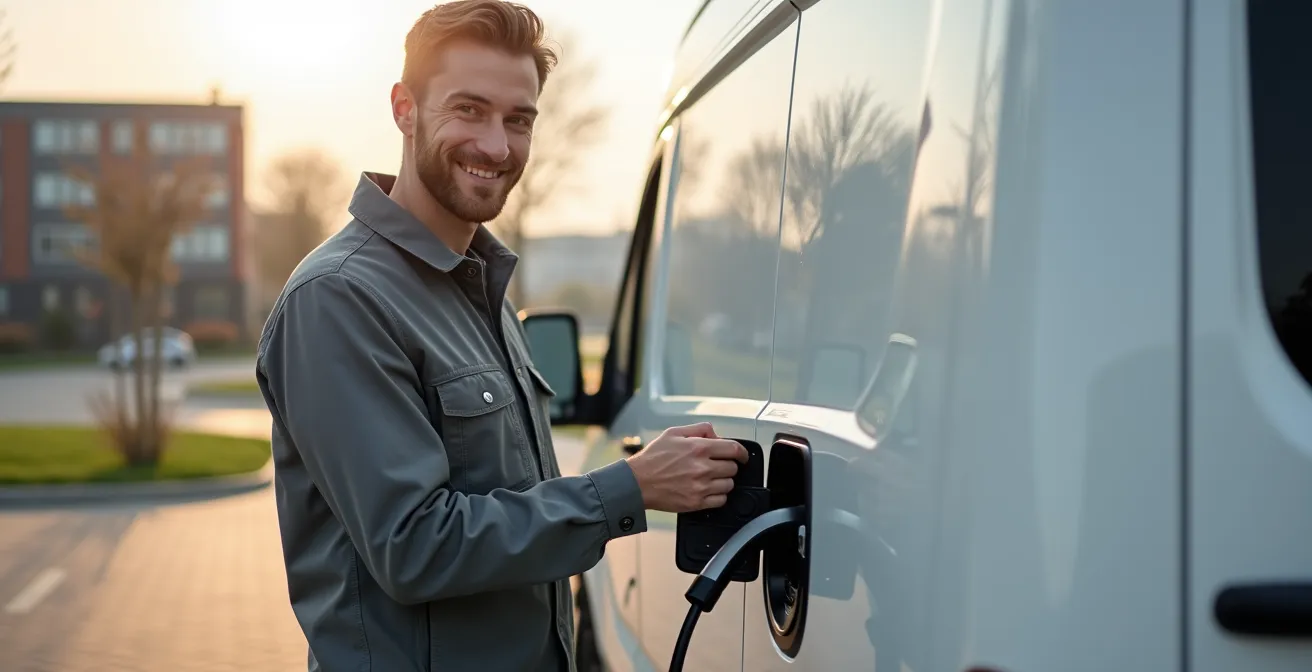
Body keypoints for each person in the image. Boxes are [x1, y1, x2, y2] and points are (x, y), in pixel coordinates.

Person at [254, 1, 749, 670]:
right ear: (404, 109)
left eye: (518, 120)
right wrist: (628, 488)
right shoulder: (339, 298)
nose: (497, 145)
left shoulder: (480, 287)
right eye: (469, 109)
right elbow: (414, 545)